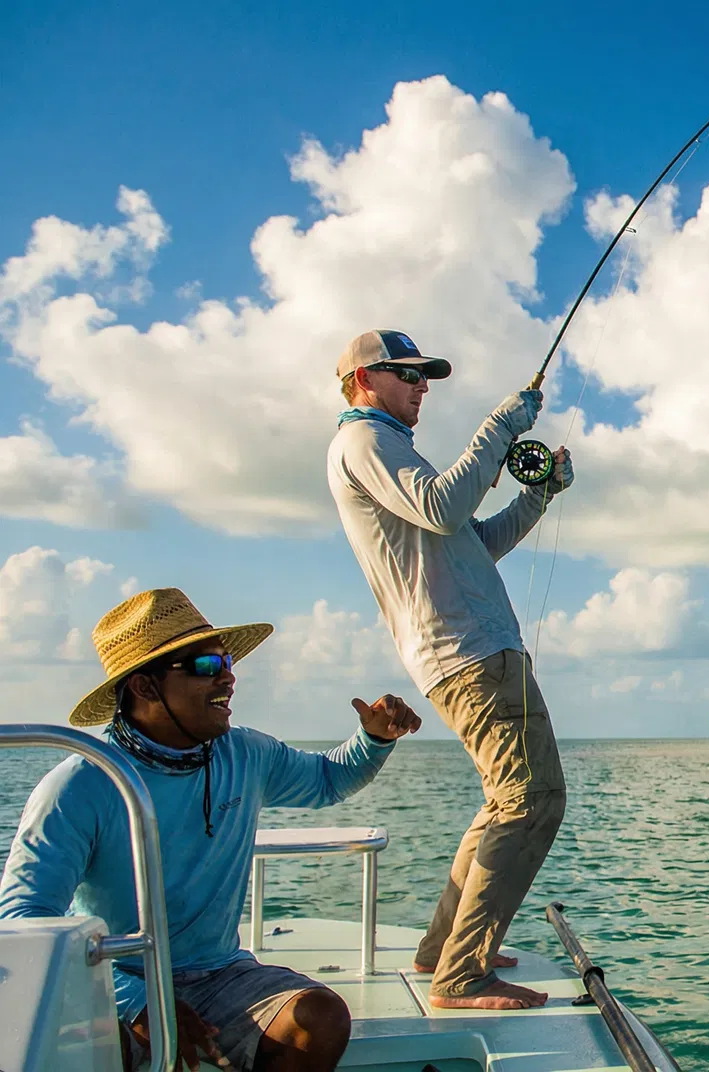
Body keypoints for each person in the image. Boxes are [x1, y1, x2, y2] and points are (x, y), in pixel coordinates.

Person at [0, 587, 423, 1072]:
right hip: (115, 980)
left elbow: (328, 780)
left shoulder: (242, 754)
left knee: (319, 1019)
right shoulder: (81, 785)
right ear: (144, 687)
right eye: (207, 667)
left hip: (221, 974)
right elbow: (24, 919)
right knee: (86, 1050)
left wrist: (373, 738)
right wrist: (141, 1004)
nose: (229, 678)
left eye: (227, 663)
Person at [326, 329, 573, 1011]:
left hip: (469, 650)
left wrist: (539, 495)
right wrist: (501, 425)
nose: (422, 385)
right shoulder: (365, 443)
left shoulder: (392, 452)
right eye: (407, 373)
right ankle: (461, 974)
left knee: (507, 800)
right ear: (363, 379)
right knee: (533, 800)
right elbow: (443, 504)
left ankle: (446, 950)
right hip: (471, 652)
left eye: (425, 375)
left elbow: (474, 544)